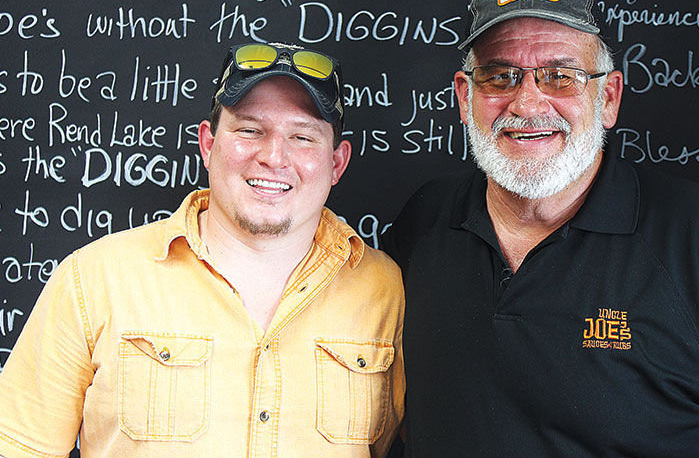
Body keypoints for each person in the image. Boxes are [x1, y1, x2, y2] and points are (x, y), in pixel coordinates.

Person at [384, 0, 699, 457]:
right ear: (464, 97)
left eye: (560, 76)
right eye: (500, 76)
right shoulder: (425, 222)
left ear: (608, 98)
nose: (527, 103)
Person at [0, 42, 404, 458]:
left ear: (336, 163)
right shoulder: (95, 279)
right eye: (250, 130)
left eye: (302, 137)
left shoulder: (384, 289)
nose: (273, 157)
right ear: (208, 144)